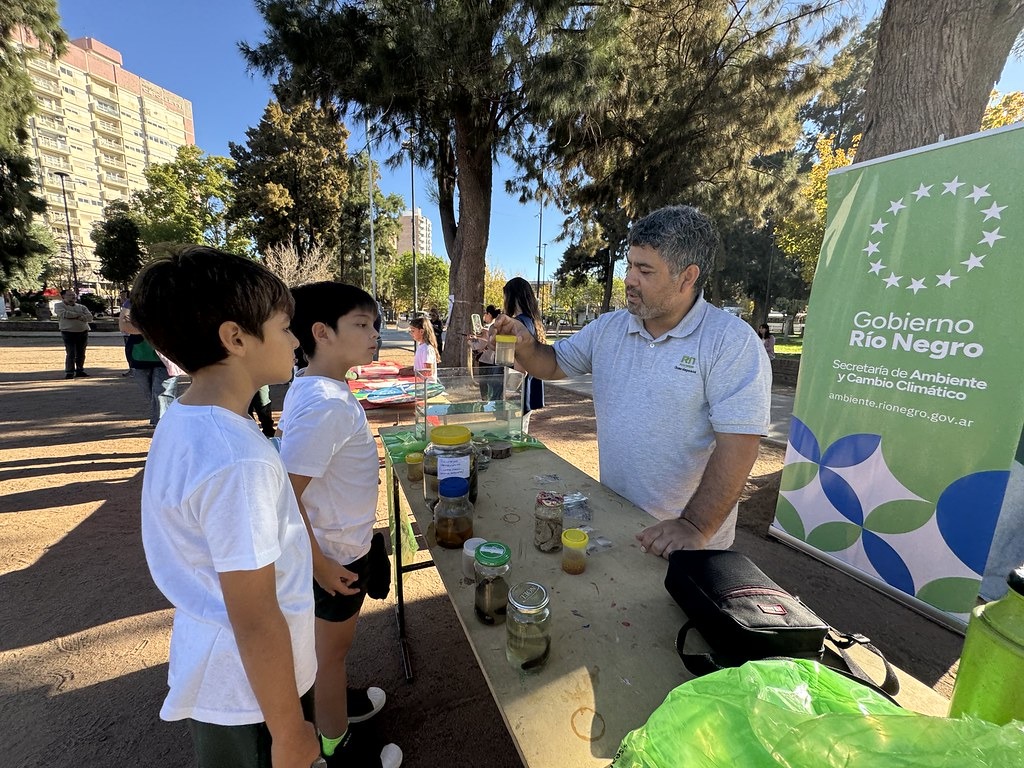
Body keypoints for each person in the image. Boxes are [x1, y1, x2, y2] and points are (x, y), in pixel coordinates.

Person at [130, 245, 321, 768]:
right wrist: (289, 730)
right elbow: (255, 613)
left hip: (231, 671)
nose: (294, 339)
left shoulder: (186, 418)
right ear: (236, 337)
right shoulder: (237, 460)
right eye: (284, 327)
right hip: (253, 695)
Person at [491, 205, 771, 557]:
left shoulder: (730, 342)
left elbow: (739, 446)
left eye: (645, 270)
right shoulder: (610, 327)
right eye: (629, 265)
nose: (629, 279)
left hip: (686, 545)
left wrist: (694, 526)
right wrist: (527, 345)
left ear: (687, 277)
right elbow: (553, 363)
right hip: (616, 519)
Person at [279, 281, 402, 768]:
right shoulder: (326, 405)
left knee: (328, 650)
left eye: (374, 323)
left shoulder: (318, 387)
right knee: (329, 654)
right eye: (361, 324)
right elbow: (285, 497)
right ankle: (336, 745)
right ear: (321, 332)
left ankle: (333, 704)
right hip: (330, 556)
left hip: (339, 545)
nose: (375, 333)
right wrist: (320, 565)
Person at [502, 277, 545, 434]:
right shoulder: (531, 321)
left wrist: (509, 391)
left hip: (518, 394)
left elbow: (520, 367)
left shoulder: (517, 323)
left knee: (513, 437)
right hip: (527, 392)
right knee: (521, 434)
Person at [121, 304, 173, 428]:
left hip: (167, 356)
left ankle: (163, 425)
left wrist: (140, 324)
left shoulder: (172, 299)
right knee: (150, 393)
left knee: (162, 393)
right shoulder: (130, 302)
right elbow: (125, 326)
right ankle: (165, 419)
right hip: (139, 355)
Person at [54, 289, 92, 379]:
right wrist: (79, 315)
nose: (73, 296)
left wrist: (78, 315)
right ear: (63, 296)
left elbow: (89, 317)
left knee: (81, 353)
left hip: (83, 332)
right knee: (71, 352)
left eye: (74, 295)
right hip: (68, 332)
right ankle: (69, 372)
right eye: (70, 295)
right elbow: (64, 314)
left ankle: (80, 370)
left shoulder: (82, 307)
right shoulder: (59, 305)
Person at [469, 305, 502, 400]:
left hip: (486, 360)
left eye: (485, 313)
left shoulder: (487, 329)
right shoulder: (498, 326)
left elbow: (480, 344)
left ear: (489, 314)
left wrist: (471, 341)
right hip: (495, 360)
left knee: (484, 384)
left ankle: (485, 402)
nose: (484, 316)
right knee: (492, 384)